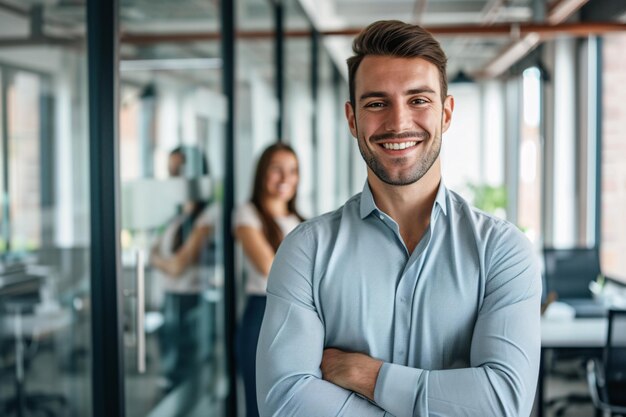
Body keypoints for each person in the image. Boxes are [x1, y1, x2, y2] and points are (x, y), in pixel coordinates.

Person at [256, 20, 542, 417]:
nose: (398, 122)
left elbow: (501, 403)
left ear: (445, 113)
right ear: (353, 119)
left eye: (418, 100)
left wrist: (368, 376)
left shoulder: (503, 251)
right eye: (376, 103)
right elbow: (285, 401)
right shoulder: (306, 250)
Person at [234, 143, 304, 417]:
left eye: (293, 171)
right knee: (259, 403)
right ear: (262, 173)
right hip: (262, 313)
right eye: (277, 169)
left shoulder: (301, 221)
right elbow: (269, 268)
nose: (285, 178)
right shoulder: (247, 214)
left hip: (298, 317)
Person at [150, 146, 215, 392]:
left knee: (185, 377)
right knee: (170, 376)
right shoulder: (177, 217)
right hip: (170, 301)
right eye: (170, 172)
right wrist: (164, 261)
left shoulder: (208, 215)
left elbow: (176, 266)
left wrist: (161, 261)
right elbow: (152, 254)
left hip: (191, 304)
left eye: (178, 171)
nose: (172, 179)